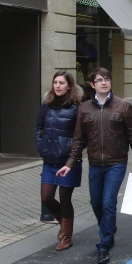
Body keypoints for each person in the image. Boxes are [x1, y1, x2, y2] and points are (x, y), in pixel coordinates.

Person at [57, 67, 132, 264]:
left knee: (108, 202)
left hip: (116, 163)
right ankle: (109, 229)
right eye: (99, 80)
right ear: (92, 85)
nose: (104, 82)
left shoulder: (123, 106)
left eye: (107, 79)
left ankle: (104, 244)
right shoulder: (84, 108)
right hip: (95, 164)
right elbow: (78, 140)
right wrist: (69, 164)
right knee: (96, 203)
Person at [36, 71, 83, 251]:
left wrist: (72, 152)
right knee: (47, 197)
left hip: (68, 161)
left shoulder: (76, 107)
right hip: (49, 159)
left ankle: (66, 236)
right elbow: (38, 127)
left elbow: (80, 135)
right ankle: (63, 225)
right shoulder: (46, 105)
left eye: (61, 83)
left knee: (65, 199)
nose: (57, 86)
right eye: (55, 82)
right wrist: (41, 145)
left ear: (69, 86)